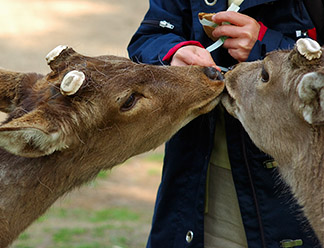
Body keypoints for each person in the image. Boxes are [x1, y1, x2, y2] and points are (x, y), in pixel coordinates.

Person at [128, 0, 322, 247]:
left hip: (293, 203)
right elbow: (149, 37)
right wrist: (174, 53)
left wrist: (264, 44)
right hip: (195, 193)